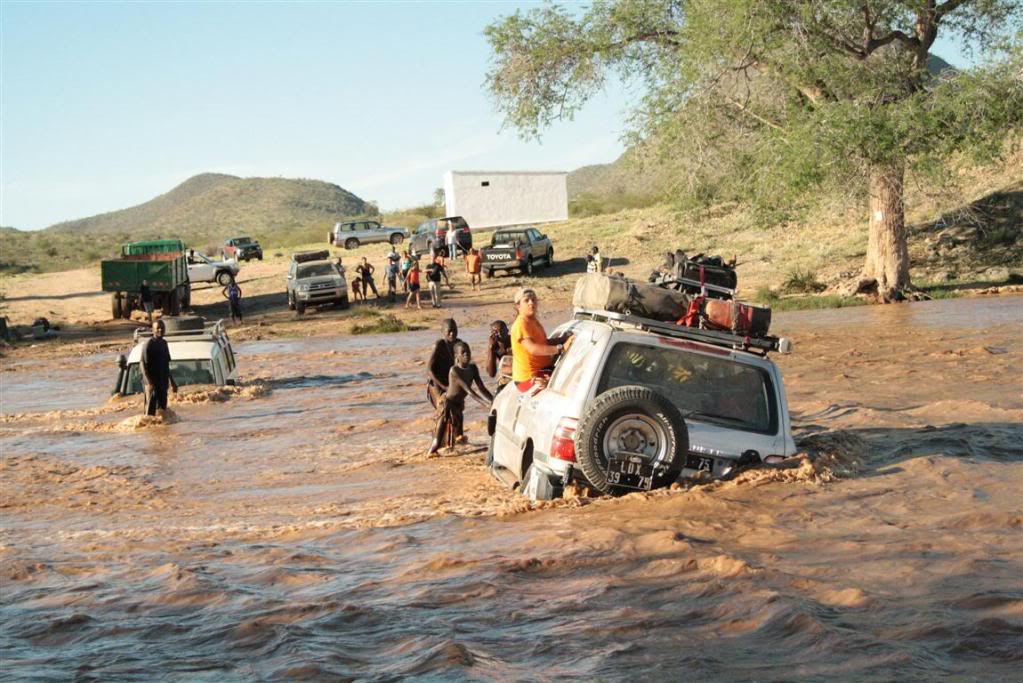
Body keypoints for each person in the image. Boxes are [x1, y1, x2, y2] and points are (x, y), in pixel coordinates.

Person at [428, 341, 492, 455]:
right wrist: (486, 405)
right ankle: (430, 456)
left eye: (468, 351)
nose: (466, 354)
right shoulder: (454, 371)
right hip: (447, 406)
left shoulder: (473, 368)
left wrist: (493, 400)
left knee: (459, 438)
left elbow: (481, 387)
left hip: (458, 406)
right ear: (456, 356)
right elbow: (470, 391)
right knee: (437, 443)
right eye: (463, 353)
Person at [510, 288, 572, 392]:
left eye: (534, 300)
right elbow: (533, 349)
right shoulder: (521, 324)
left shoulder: (532, 320)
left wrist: (563, 339)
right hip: (529, 378)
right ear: (518, 306)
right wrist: (561, 348)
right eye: (526, 300)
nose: (531, 303)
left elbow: (543, 343)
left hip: (542, 370)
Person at [141, 319, 178, 416]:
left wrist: (172, 382)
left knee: (162, 411)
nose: (160, 330)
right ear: (153, 330)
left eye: (162, 328)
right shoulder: (148, 344)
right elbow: (142, 365)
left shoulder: (164, 344)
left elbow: (166, 365)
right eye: (157, 328)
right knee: (150, 414)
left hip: (163, 383)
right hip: (152, 383)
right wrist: (149, 383)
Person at [426, 318, 461, 408]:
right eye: (449, 331)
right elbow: (429, 370)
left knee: (459, 407)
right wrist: (443, 386)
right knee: (443, 407)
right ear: (442, 332)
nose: (452, 333)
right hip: (436, 382)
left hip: (450, 380)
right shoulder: (438, 345)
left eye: (454, 330)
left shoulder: (459, 344)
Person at [485, 320, 512, 392]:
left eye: (502, 331)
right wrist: (491, 349)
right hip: (506, 377)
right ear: (491, 334)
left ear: (507, 330)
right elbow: (491, 373)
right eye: (495, 332)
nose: (499, 334)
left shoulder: (513, 340)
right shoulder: (495, 346)